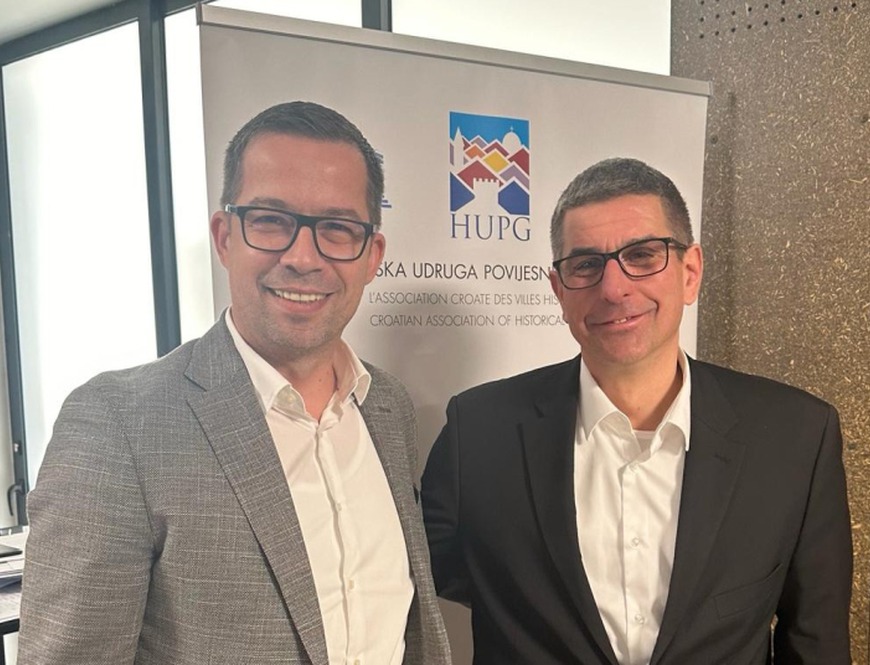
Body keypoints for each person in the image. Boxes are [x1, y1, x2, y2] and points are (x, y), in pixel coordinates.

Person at [19, 101, 451, 665]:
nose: (303, 257)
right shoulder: (119, 425)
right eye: (270, 220)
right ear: (224, 237)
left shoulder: (387, 407)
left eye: (337, 228)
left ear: (373, 255)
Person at [421, 157, 852, 664]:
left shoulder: (795, 437)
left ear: (690, 273)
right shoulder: (479, 430)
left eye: (643, 255)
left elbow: (816, 641)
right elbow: (439, 574)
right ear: (559, 291)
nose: (613, 288)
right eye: (585, 265)